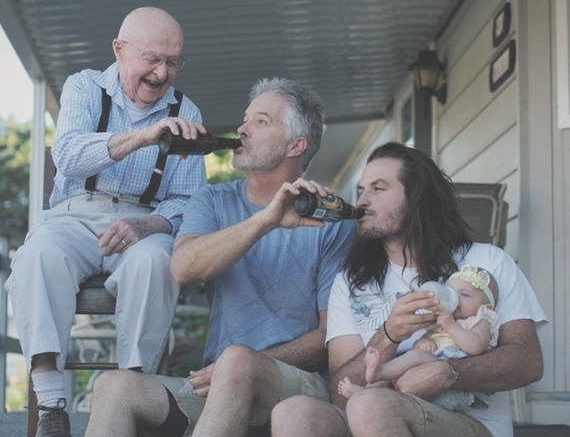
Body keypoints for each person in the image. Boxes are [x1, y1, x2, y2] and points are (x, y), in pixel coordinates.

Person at [83, 77, 356, 437]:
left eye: (261, 121)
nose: (242, 129)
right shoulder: (212, 200)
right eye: (246, 119)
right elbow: (183, 267)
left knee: (237, 361)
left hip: (295, 387)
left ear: (296, 145)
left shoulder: (330, 221)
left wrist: (242, 366)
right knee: (113, 386)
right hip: (216, 390)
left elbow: (329, 337)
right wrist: (265, 221)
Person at [4, 7, 207, 437]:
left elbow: (187, 200)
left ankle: (131, 392)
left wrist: (148, 226)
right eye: (152, 59)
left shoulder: (187, 110)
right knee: (36, 255)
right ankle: (52, 405)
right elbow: (69, 155)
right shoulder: (84, 86)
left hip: (142, 224)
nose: (161, 73)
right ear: (119, 50)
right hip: (73, 214)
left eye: (172, 62)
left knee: (158, 261)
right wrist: (145, 136)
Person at [270, 142, 547, 437]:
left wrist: (449, 373)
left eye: (378, 189)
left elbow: (528, 361)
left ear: (417, 198)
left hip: (468, 423)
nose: (362, 201)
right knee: (293, 411)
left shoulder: (486, 262)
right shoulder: (350, 284)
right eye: (361, 190)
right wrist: (389, 336)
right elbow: (340, 394)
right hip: (373, 413)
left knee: (371, 405)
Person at [338, 264, 501, 412]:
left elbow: (477, 346)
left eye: (465, 295)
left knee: (412, 363)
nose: (456, 299)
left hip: (454, 376)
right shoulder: (445, 318)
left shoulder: (481, 320)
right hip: (430, 364)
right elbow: (422, 342)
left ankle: (380, 373)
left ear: (486, 307)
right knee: (401, 365)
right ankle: (366, 392)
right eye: (452, 292)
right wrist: (424, 342)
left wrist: (451, 326)